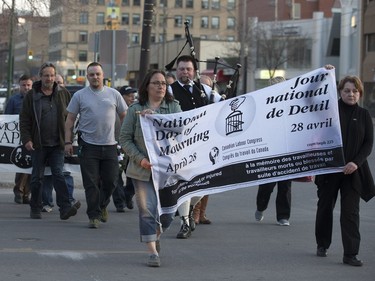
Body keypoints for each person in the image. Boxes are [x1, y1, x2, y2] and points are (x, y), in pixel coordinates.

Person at [119, 70, 182, 267]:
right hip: (142, 170)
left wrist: (157, 120)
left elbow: (183, 130)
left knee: (169, 213)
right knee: (147, 210)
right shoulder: (135, 109)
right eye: (156, 83)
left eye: (163, 83)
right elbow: (125, 138)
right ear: (147, 86)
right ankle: (152, 252)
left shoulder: (174, 106)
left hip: (168, 171)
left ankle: (156, 234)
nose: (161, 86)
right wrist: (140, 159)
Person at [315, 70, 375, 266]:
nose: (351, 94)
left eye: (355, 91)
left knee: (350, 213)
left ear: (360, 94)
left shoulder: (364, 115)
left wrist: (355, 162)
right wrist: (325, 75)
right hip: (330, 170)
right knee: (325, 208)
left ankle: (350, 254)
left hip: (353, 173)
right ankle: (322, 244)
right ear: (339, 92)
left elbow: (368, 144)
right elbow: (311, 99)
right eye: (347, 90)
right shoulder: (329, 111)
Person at [64, 62, 127, 229]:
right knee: (91, 183)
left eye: (97, 74)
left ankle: (102, 206)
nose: (95, 77)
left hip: (111, 145)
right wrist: (68, 141)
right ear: (87, 76)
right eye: (91, 74)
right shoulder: (79, 95)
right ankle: (94, 216)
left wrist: (127, 138)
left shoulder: (114, 94)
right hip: (88, 146)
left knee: (111, 181)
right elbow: (70, 119)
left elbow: (124, 115)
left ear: (103, 75)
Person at [19, 62, 81, 220]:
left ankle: (65, 208)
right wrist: (27, 139)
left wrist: (68, 140)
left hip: (57, 144)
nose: (49, 78)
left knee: (58, 174)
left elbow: (70, 118)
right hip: (38, 144)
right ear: (40, 76)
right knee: (37, 177)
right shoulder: (31, 95)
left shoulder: (63, 93)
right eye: (46, 75)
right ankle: (35, 208)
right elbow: (24, 119)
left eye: (52, 75)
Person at [169, 55, 221, 239]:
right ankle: (184, 223)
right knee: (184, 183)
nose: (185, 72)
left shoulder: (205, 90)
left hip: (203, 144)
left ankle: (190, 208)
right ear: (176, 71)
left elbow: (222, 106)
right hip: (179, 146)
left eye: (188, 69)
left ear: (193, 71)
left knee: (203, 184)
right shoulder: (169, 90)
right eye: (181, 69)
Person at [254, 76, 292, 226]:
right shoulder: (264, 105)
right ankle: (261, 206)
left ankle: (283, 216)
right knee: (267, 185)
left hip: (287, 150)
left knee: (285, 185)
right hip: (269, 150)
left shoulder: (292, 105)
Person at [41, 74, 77, 212]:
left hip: (64, 142)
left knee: (65, 172)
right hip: (47, 142)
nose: (58, 85)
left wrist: (69, 139)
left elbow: (72, 119)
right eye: (55, 82)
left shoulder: (68, 97)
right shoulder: (44, 98)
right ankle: (47, 202)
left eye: (60, 83)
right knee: (48, 174)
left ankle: (68, 200)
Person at [5, 74, 33, 204]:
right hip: (17, 138)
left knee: (32, 166)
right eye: (24, 85)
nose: (26, 87)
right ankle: (19, 191)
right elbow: (6, 118)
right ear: (19, 86)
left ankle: (26, 193)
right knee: (21, 164)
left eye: (28, 85)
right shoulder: (13, 100)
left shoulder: (36, 98)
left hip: (33, 136)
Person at [191, 74, 214, 225]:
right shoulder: (193, 101)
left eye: (207, 87)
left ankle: (202, 212)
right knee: (196, 181)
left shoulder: (215, 101)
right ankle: (194, 212)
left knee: (208, 181)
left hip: (210, 146)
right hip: (194, 145)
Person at [112, 85, 137, 212]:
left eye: (134, 95)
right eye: (129, 95)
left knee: (134, 175)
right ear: (121, 97)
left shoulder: (136, 109)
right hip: (117, 146)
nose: (132, 98)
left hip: (133, 148)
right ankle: (119, 202)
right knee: (116, 175)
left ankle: (128, 195)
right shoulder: (114, 110)